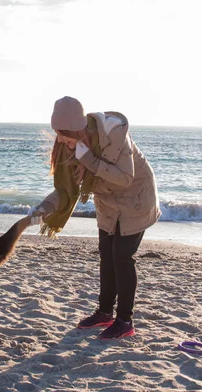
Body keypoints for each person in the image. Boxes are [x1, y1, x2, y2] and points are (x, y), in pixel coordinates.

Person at [28, 96, 161, 339]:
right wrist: (42, 209)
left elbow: (125, 178)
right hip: (108, 202)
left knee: (122, 256)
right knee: (106, 254)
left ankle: (124, 321)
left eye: (67, 139)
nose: (65, 144)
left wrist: (88, 160)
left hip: (135, 199)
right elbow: (65, 190)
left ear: (78, 130)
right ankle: (104, 313)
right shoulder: (71, 146)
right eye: (61, 139)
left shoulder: (115, 135)